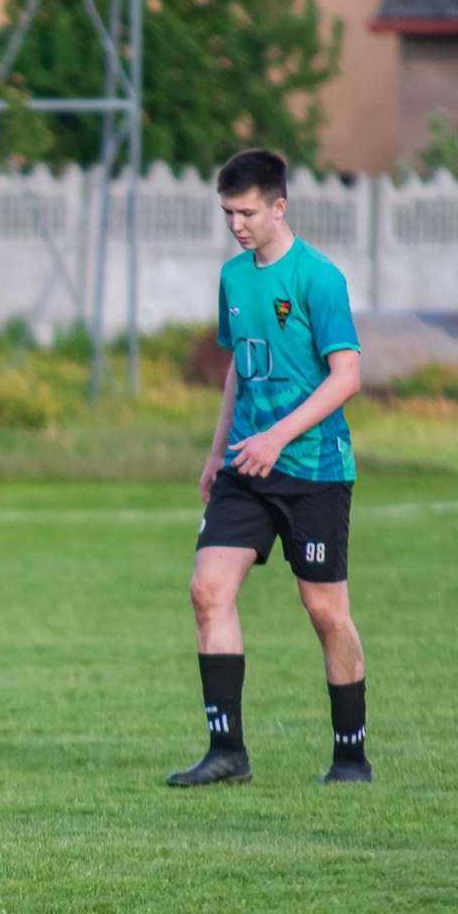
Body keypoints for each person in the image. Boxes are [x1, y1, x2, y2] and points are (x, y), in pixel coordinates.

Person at [168, 148, 370, 788]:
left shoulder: (319, 278)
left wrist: (277, 438)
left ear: (279, 207)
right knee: (208, 589)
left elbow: (348, 377)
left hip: (313, 467)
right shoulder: (234, 278)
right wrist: (215, 453)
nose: (236, 224)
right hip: (246, 467)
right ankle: (226, 751)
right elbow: (238, 370)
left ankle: (350, 756)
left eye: (247, 212)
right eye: (227, 212)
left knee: (324, 612)